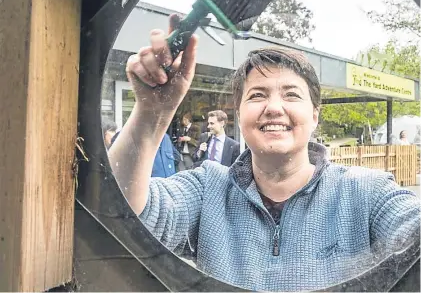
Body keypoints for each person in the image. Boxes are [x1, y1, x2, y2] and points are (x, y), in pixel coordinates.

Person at [109, 20, 420, 291]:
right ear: (239, 113)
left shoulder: (367, 192)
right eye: (257, 95)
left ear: (314, 116)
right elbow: (123, 216)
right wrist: (152, 115)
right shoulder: (207, 189)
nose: (273, 107)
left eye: (291, 95)